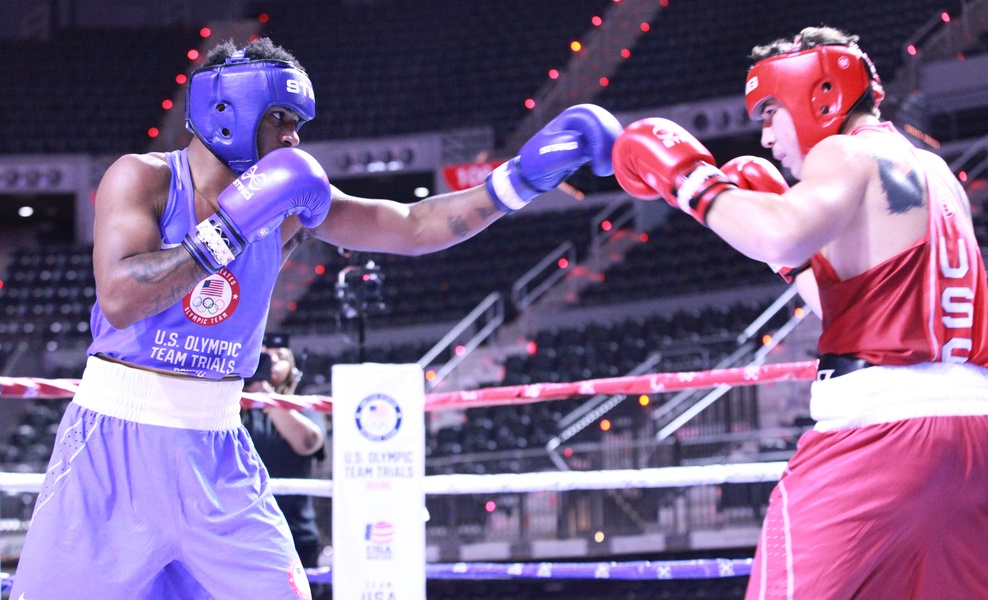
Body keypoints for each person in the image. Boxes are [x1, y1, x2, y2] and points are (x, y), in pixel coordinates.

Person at [10, 37, 622, 599]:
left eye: (298, 124)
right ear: (229, 109)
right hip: (113, 445)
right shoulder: (141, 178)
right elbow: (120, 296)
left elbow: (413, 227)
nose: (294, 139)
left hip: (218, 453)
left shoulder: (291, 204)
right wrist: (232, 226)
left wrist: (520, 179)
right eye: (280, 118)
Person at [612, 26, 988, 599]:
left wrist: (689, 179)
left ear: (818, 94)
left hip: (876, 442)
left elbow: (780, 235)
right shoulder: (936, 172)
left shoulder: (845, 153)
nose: (766, 136)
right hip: (970, 443)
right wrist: (794, 269)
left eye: (770, 111)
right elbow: (860, 303)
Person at [241, 335, 328, 591]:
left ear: (292, 366)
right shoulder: (230, 405)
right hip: (242, 529)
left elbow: (308, 443)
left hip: (294, 530)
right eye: (264, 356)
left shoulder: (303, 404)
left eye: (279, 357)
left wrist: (266, 397)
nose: (270, 362)